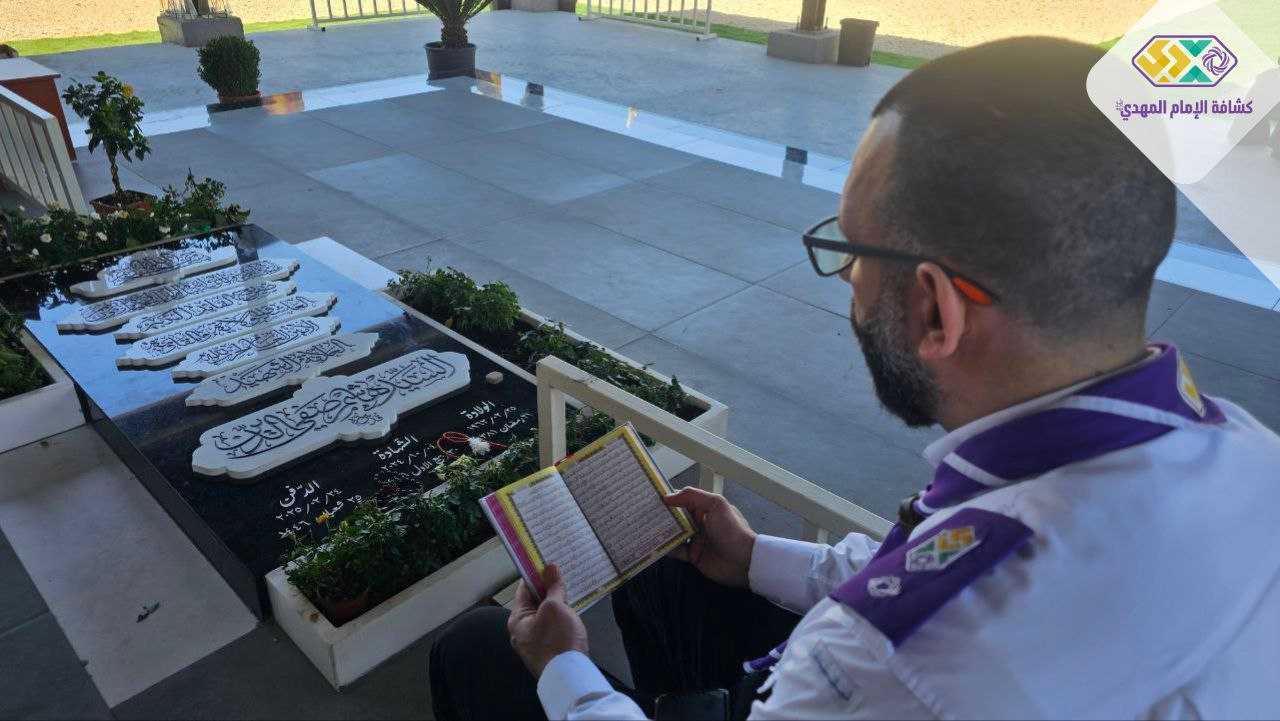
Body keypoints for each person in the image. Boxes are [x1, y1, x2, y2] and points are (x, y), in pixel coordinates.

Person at [429, 36, 1280, 719]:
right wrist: (757, 555)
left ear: (935, 308)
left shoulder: (895, 662)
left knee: (476, 651)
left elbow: (917, 633)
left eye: (851, 252)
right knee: (669, 566)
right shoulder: (1245, 451)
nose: (847, 284)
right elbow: (933, 556)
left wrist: (566, 671)